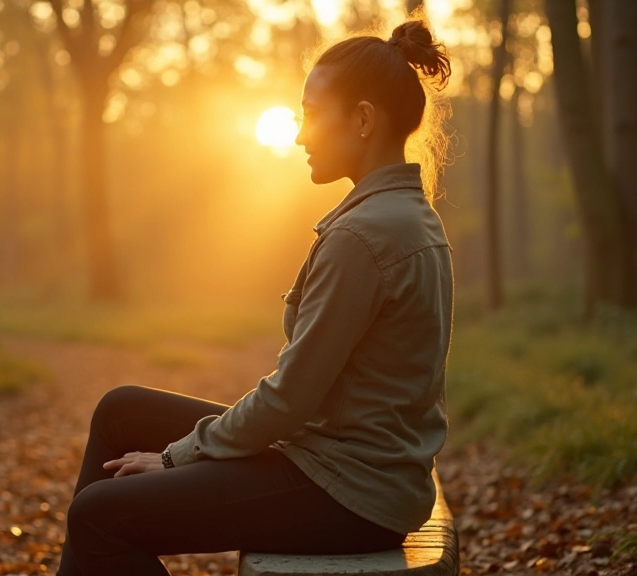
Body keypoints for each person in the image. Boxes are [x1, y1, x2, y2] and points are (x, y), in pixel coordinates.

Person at [55, 16, 454, 576]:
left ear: (362, 119)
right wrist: (190, 452)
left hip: (347, 492)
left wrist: (175, 457)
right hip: (349, 464)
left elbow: (288, 401)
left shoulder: (362, 237)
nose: (298, 135)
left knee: (96, 516)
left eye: (311, 115)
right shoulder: (405, 215)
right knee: (122, 411)